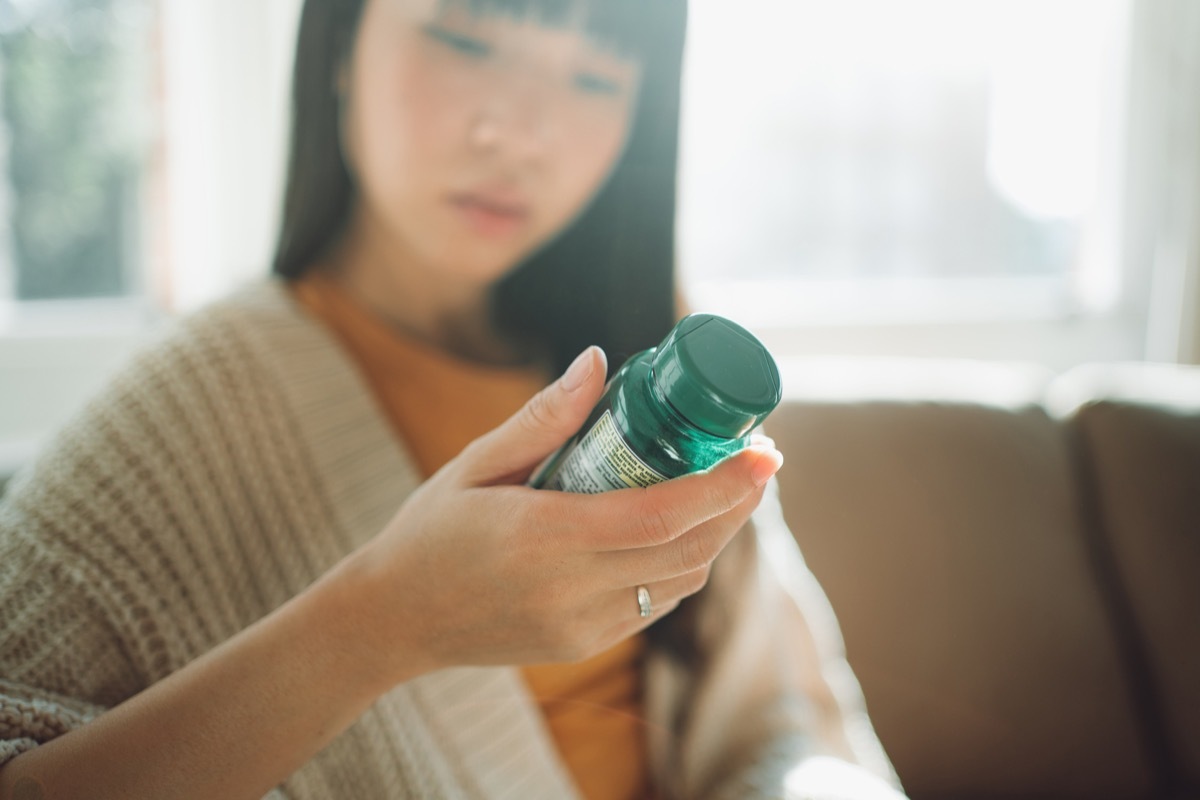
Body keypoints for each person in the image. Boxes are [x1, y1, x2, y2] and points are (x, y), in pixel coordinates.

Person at [0, 0, 906, 797]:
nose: (522, 133)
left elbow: (787, 721)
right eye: (468, 41)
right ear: (344, 38)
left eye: (595, 76)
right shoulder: (193, 402)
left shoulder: (658, 369)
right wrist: (383, 624)